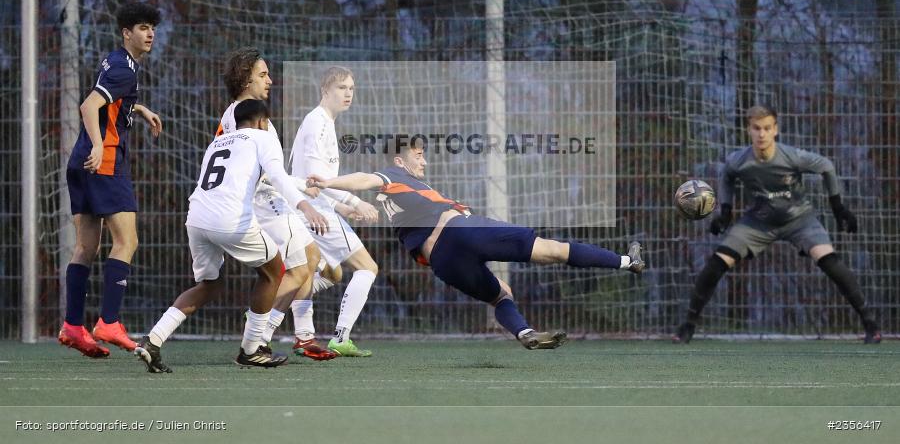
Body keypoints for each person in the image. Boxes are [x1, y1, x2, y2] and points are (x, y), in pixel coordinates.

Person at [308, 140, 645, 349]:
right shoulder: (395, 177)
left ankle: (524, 332)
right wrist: (328, 182)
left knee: (501, 293)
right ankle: (627, 261)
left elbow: (367, 188)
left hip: (443, 261)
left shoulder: (397, 199)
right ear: (400, 161)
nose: (423, 161)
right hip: (461, 231)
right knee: (552, 250)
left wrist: (335, 193)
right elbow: (366, 179)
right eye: (418, 155)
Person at [673, 105, 881, 344]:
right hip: (758, 222)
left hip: (800, 219)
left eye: (767, 128)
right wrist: (726, 212)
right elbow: (727, 176)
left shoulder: (792, 156)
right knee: (717, 262)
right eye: (756, 128)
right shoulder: (738, 160)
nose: (761, 134)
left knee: (829, 261)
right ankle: (687, 326)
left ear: (776, 130)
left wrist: (838, 208)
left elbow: (826, 166)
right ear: (748, 130)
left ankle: (870, 325)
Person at [135, 99, 316, 372]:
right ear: (262, 122)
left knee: (209, 285)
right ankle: (251, 350)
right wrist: (305, 205)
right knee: (274, 271)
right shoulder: (262, 138)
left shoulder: (218, 142)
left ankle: (153, 340)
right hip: (230, 221)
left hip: (196, 219)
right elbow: (277, 177)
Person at [215, 48, 336, 361]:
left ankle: (301, 335)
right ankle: (259, 335)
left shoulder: (236, 112)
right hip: (265, 202)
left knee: (309, 265)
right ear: (245, 79)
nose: (270, 80)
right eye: (262, 74)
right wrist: (299, 191)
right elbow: (267, 173)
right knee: (304, 263)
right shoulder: (251, 118)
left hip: (262, 200)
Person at [59, 2, 163, 358]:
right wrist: (102, 144)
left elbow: (111, 103)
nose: (149, 34)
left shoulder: (117, 62)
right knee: (127, 241)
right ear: (126, 33)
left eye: (152, 27)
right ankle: (108, 321)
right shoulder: (125, 69)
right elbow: (89, 106)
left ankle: (73, 326)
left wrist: (139, 108)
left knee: (85, 247)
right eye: (142, 27)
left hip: (80, 161)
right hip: (103, 162)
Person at [288, 66, 380, 358]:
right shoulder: (318, 123)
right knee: (368, 267)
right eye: (342, 87)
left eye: (351, 88)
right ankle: (340, 337)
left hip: (315, 207)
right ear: (325, 90)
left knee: (333, 272)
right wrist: (355, 202)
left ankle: (269, 305)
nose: (348, 93)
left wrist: (340, 205)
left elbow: (317, 180)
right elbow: (316, 178)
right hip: (312, 211)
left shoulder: (323, 122)